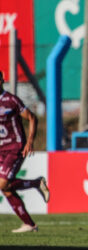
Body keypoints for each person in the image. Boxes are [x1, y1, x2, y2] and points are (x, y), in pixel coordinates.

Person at [0, 70, 49, 233]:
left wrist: (29, 141)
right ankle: (30, 224)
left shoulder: (11, 100)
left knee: (3, 184)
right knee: (6, 189)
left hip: (15, 147)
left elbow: (32, 117)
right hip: (1, 150)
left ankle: (36, 183)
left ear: (2, 81)